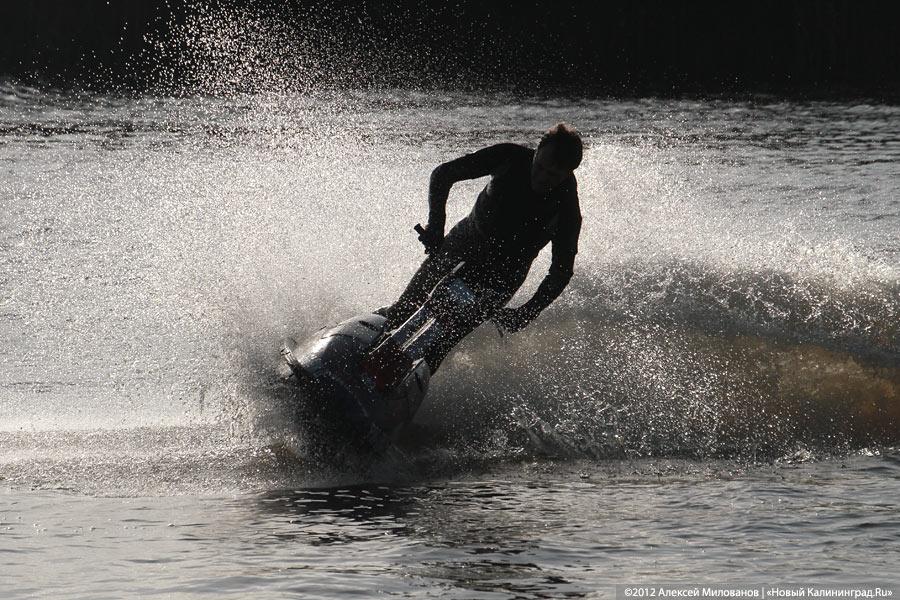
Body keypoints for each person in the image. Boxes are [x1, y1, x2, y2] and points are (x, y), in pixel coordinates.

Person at [382, 122, 583, 370]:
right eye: (540, 166)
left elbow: (561, 271)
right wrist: (436, 227)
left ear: (569, 172)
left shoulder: (568, 210)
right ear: (537, 150)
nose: (541, 178)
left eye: (552, 175)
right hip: (463, 244)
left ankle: (409, 382)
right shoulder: (508, 157)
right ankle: (368, 339)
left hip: (502, 278)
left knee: (438, 348)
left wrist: (527, 313)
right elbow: (443, 174)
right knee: (403, 310)